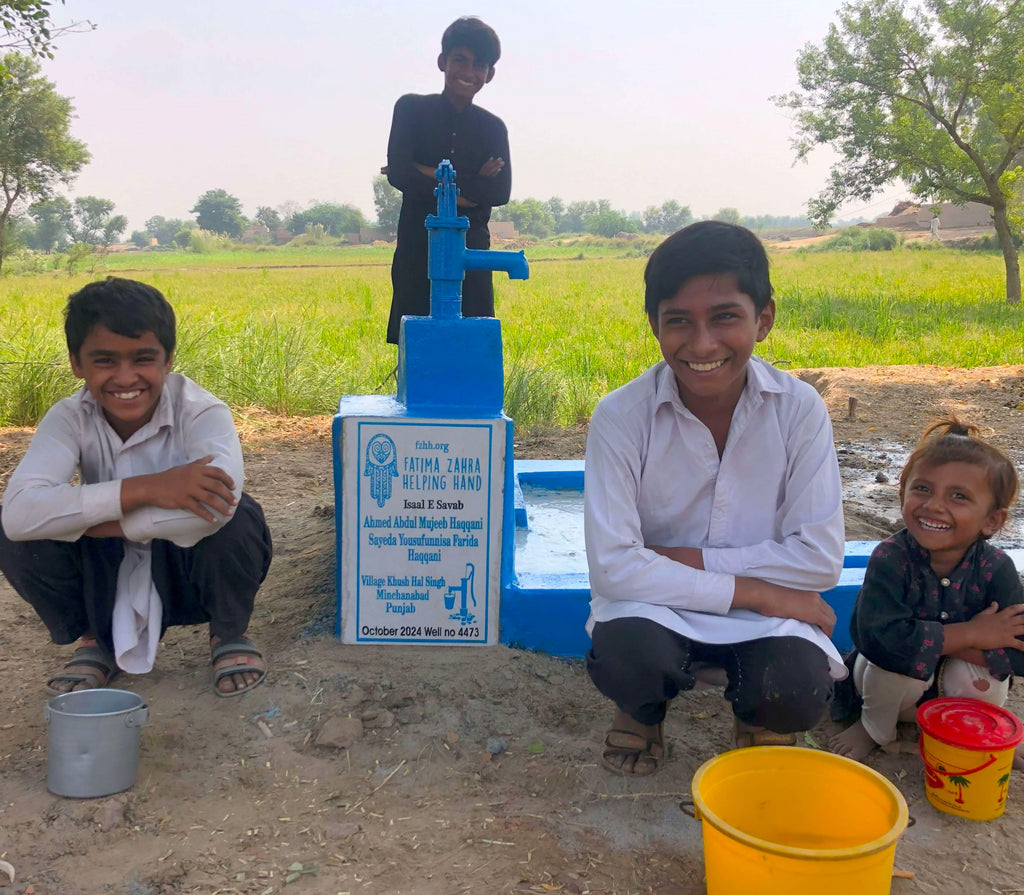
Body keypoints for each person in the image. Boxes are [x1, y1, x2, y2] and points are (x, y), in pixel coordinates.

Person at [584, 221, 847, 776]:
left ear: (763, 319)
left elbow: (819, 560)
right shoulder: (621, 416)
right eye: (679, 321)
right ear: (655, 325)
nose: (702, 344)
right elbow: (612, 569)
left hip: (754, 617)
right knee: (628, 657)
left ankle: (759, 720)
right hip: (659, 608)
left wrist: (682, 561)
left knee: (796, 687)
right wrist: (759, 590)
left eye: (725, 317)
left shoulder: (799, 410)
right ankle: (641, 711)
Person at [0, 277, 273, 697]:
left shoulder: (202, 411)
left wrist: (100, 524)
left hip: (184, 567)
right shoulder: (68, 418)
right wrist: (148, 488)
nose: (125, 378)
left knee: (238, 517)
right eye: (104, 360)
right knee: (17, 537)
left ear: (168, 360)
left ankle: (228, 632)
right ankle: (95, 639)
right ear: (76, 364)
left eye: (143, 358)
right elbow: (18, 515)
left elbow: (217, 510)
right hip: (103, 568)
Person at [831, 418, 1024, 763]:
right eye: (922, 489)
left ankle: (973, 732)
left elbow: (1019, 653)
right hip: (886, 691)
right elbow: (880, 641)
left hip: (952, 693)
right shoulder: (890, 558)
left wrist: (934, 643)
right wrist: (973, 634)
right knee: (892, 669)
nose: (934, 505)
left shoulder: (997, 569)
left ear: (992, 520)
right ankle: (873, 729)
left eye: (959, 496)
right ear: (902, 493)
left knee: (986, 681)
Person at [384, 16, 511, 345]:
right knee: (415, 347)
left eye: (479, 65)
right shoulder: (410, 109)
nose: (468, 72)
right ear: (443, 61)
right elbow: (399, 172)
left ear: (489, 74)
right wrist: (470, 188)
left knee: (471, 343)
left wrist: (427, 171)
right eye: (460, 60)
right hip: (418, 250)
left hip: (471, 252)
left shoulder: (493, 128)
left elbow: (499, 192)